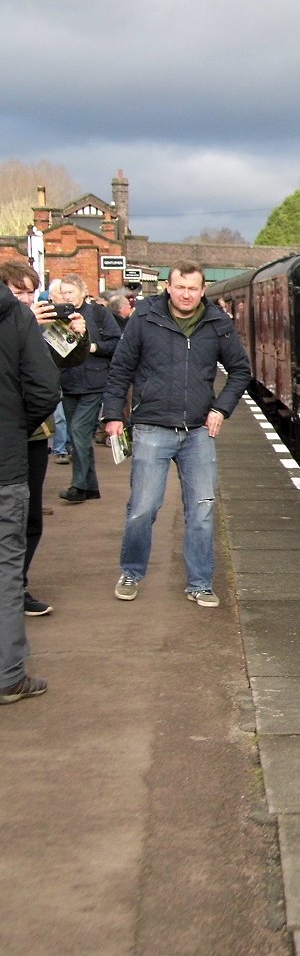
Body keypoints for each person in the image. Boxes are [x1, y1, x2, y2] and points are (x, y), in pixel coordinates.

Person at [101, 263, 251, 608]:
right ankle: (131, 571)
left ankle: (200, 582)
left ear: (202, 291)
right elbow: (121, 367)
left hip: (198, 430)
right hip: (151, 426)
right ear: (168, 287)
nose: (186, 294)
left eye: (193, 288)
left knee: (201, 508)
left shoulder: (217, 324)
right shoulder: (145, 318)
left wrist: (221, 408)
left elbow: (240, 371)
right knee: (143, 507)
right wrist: (112, 415)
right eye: (180, 287)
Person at [1, 262, 88, 618]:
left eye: (29, 292)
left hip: (33, 433)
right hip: (13, 430)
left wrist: (77, 336)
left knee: (30, 517)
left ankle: (17, 586)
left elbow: (65, 363)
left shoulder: (35, 324)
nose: (25, 299)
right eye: (17, 291)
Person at [0, 268, 62, 702]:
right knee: (6, 569)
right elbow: (45, 389)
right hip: (6, 464)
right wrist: (14, 428)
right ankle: (7, 676)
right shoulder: (17, 320)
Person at [53, 275, 122, 504]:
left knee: (80, 432)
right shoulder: (57, 316)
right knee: (76, 436)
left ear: (83, 291)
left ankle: (79, 486)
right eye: (63, 292)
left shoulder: (99, 314)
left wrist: (93, 346)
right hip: (69, 382)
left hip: (94, 383)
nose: (66, 297)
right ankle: (91, 487)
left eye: (70, 292)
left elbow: (116, 343)